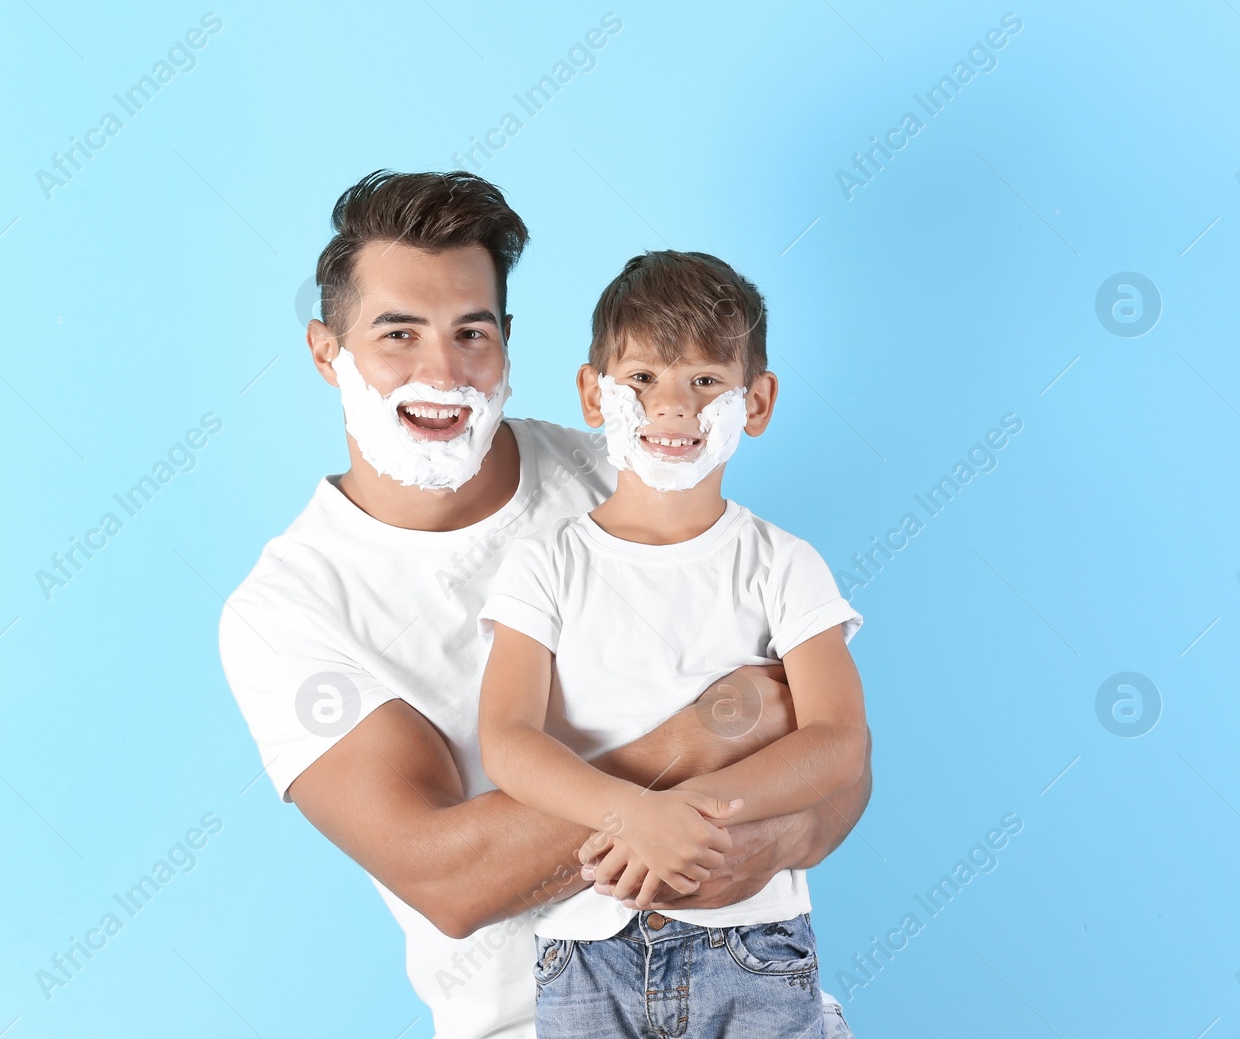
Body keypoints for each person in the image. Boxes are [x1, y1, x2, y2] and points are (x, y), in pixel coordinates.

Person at [218, 170, 870, 1039]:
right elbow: (449, 876)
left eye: (471, 332)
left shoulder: (633, 467)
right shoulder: (288, 608)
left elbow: (841, 767)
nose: (441, 369)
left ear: (509, 349)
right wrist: (705, 733)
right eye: (397, 333)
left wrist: (771, 842)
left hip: (748, 987)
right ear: (325, 351)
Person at [477, 250, 869, 1036]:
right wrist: (629, 814)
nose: (675, 408)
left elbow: (837, 739)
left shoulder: (783, 564)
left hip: (754, 943)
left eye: (705, 381)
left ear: (755, 401)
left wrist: (693, 810)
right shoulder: (546, 563)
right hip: (588, 948)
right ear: (594, 393)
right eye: (644, 379)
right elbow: (508, 738)